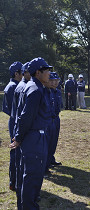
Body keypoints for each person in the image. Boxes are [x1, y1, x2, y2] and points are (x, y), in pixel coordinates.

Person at [9, 57, 52, 209]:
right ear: (38, 72)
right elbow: (26, 116)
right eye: (46, 70)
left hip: (33, 137)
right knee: (32, 178)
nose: (49, 73)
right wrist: (19, 137)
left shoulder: (34, 86)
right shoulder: (35, 90)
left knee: (26, 177)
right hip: (34, 139)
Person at [11, 62, 31, 204]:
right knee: (18, 160)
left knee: (18, 159)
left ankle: (17, 185)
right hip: (19, 125)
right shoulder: (20, 87)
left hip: (17, 123)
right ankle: (18, 187)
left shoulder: (20, 85)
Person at [2, 61, 23, 191]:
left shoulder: (15, 85)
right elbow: (10, 108)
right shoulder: (12, 87)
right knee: (15, 152)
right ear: (16, 73)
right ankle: (14, 182)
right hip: (15, 122)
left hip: (16, 121)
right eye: (22, 72)